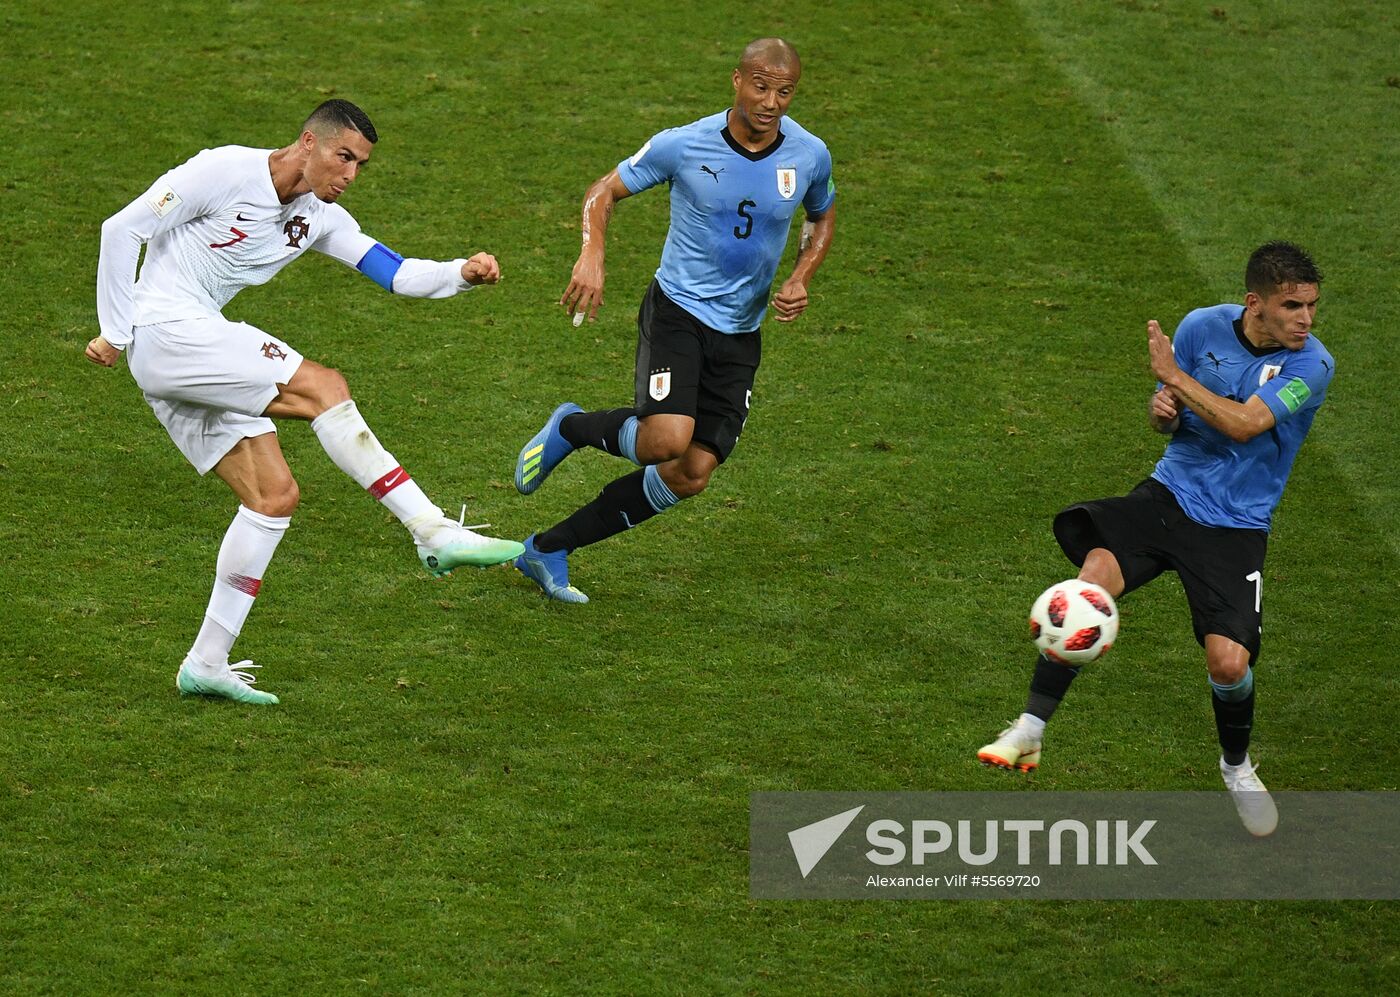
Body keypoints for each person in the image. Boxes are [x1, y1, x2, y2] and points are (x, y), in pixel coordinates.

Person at [87, 99, 524, 705]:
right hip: (165, 331)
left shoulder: (320, 219)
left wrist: (461, 274)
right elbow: (122, 228)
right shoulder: (224, 170)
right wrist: (116, 329)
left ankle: (206, 663)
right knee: (324, 387)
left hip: (191, 347)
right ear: (307, 143)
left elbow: (395, 273)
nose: (349, 175)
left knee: (272, 498)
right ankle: (430, 528)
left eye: (361, 165)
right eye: (343, 157)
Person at [977, 241, 1334, 837]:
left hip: (1235, 525)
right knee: (1089, 585)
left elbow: (1246, 425)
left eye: (1311, 306)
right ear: (1255, 303)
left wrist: (1172, 377)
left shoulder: (1312, 364)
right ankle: (1029, 730)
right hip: (1169, 495)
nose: (1306, 319)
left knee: (1228, 664)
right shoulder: (1201, 327)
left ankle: (1236, 768)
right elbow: (1169, 414)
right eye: (1292, 306)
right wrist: (1163, 405)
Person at [510, 37, 836, 603]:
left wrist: (802, 273)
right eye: (760, 86)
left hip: (742, 331)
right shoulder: (684, 145)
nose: (771, 102)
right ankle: (570, 428)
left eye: (784, 92)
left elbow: (822, 214)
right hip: (679, 313)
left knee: (691, 473)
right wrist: (592, 255)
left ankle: (548, 549)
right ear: (737, 80)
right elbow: (602, 192)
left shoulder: (809, 155)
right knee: (666, 439)